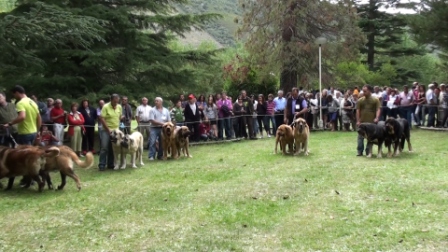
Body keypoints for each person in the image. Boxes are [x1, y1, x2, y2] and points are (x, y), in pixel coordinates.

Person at [5, 85, 41, 186]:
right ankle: (30, 178)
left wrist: (10, 123)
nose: (14, 96)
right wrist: (38, 131)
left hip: (24, 133)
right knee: (32, 156)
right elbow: (39, 118)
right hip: (33, 132)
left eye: (14, 94)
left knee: (24, 158)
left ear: (17, 92)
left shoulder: (20, 103)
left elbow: (22, 117)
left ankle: (29, 179)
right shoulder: (32, 102)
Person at [98, 94, 123, 171]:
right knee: (104, 147)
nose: (116, 102)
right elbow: (102, 119)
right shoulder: (105, 107)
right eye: (115, 101)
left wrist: (118, 126)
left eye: (117, 100)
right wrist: (108, 130)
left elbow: (119, 116)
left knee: (113, 147)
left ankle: (111, 164)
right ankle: (102, 164)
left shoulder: (119, 106)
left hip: (116, 130)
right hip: (106, 130)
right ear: (111, 100)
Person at [356, 84, 381, 156]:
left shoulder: (375, 100)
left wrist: (377, 117)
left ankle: (368, 151)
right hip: (362, 122)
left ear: (369, 91)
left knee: (370, 138)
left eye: (365, 91)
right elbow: (358, 111)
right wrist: (358, 120)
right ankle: (359, 151)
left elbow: (378, 109)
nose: (363, 92)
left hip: (371, 123)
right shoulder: (360, 100)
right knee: (360, 137)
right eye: (363, 91)